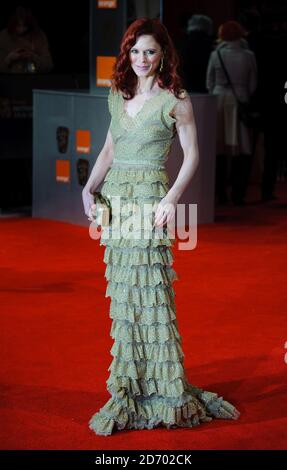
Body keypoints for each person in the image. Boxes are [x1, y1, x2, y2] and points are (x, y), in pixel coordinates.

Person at [82, 17, 240, 436]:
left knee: (152, 292)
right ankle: (130, 385)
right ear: (126, 54)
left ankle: (165, 390)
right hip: (116, 201)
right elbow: (111, 147)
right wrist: (89, 186)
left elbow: (192, 156)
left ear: (163, 54)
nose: (141, 59)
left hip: (151, 202)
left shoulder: (177, 100)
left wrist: (171, 198)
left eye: (149, 51)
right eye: (134, 51)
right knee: (125, 295)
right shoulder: (117, 93)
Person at [206, 21, 257, 205]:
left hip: (219, 101)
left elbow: (209, 83)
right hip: (240, 100)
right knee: (241, 149)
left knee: (219, 149)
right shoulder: (248, 55)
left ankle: (221, 194)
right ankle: (238, 194)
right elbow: (253, 83)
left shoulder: (216, 54)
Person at [0, 5, 53, 73]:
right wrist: (9, 59)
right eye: (18, 25)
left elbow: (48, 65)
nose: (21, 29)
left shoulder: (39, 35)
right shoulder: (3, 36)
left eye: (25, 26)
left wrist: (33, 56)